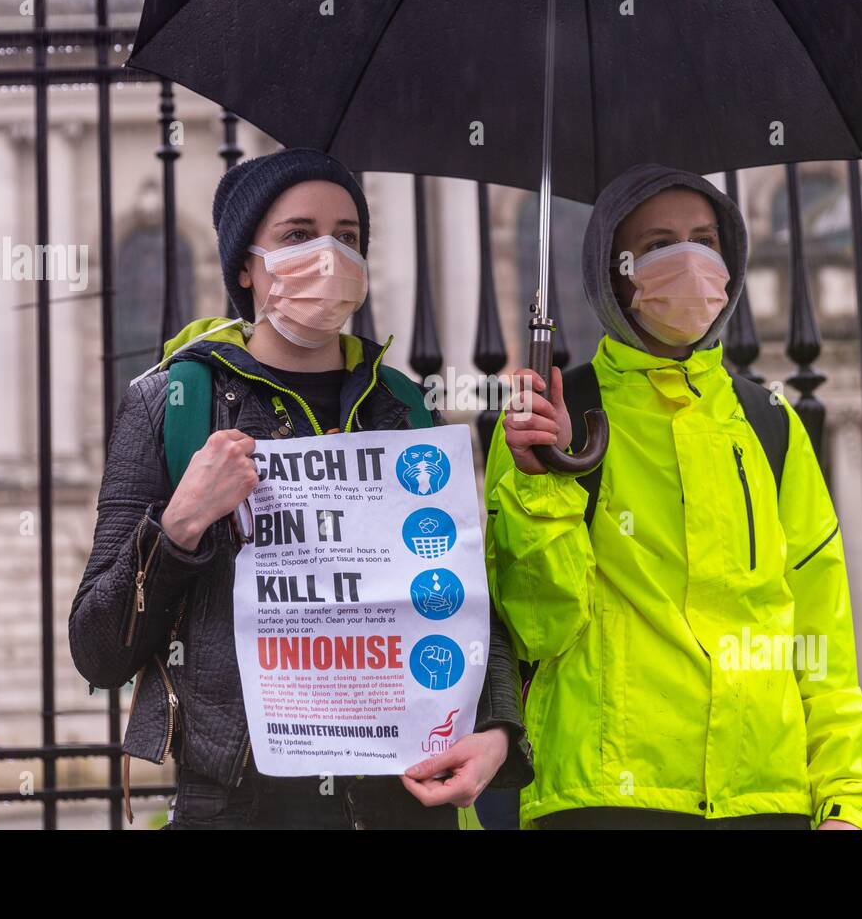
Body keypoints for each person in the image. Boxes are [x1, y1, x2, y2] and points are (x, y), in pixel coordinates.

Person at [70, 147, 532, 829]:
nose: (329, 256)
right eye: (298, 235)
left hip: (399, 804)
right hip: (240, 805)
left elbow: (460, 600)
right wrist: (178, 527)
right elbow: (98, 648)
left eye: (348, 237)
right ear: (247, 269)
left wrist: (496, 730)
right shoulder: (170, 402)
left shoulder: (402, 405)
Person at [484, 163, 862, 830]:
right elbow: (536, 626)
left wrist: (845, 801)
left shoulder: (770, 423)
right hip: (604, 800)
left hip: (764, 800)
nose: (689, 260)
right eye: (661, 244)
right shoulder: (551, 419)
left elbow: (820, 636)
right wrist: (540, 481)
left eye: (704, 240)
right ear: (615, 271)